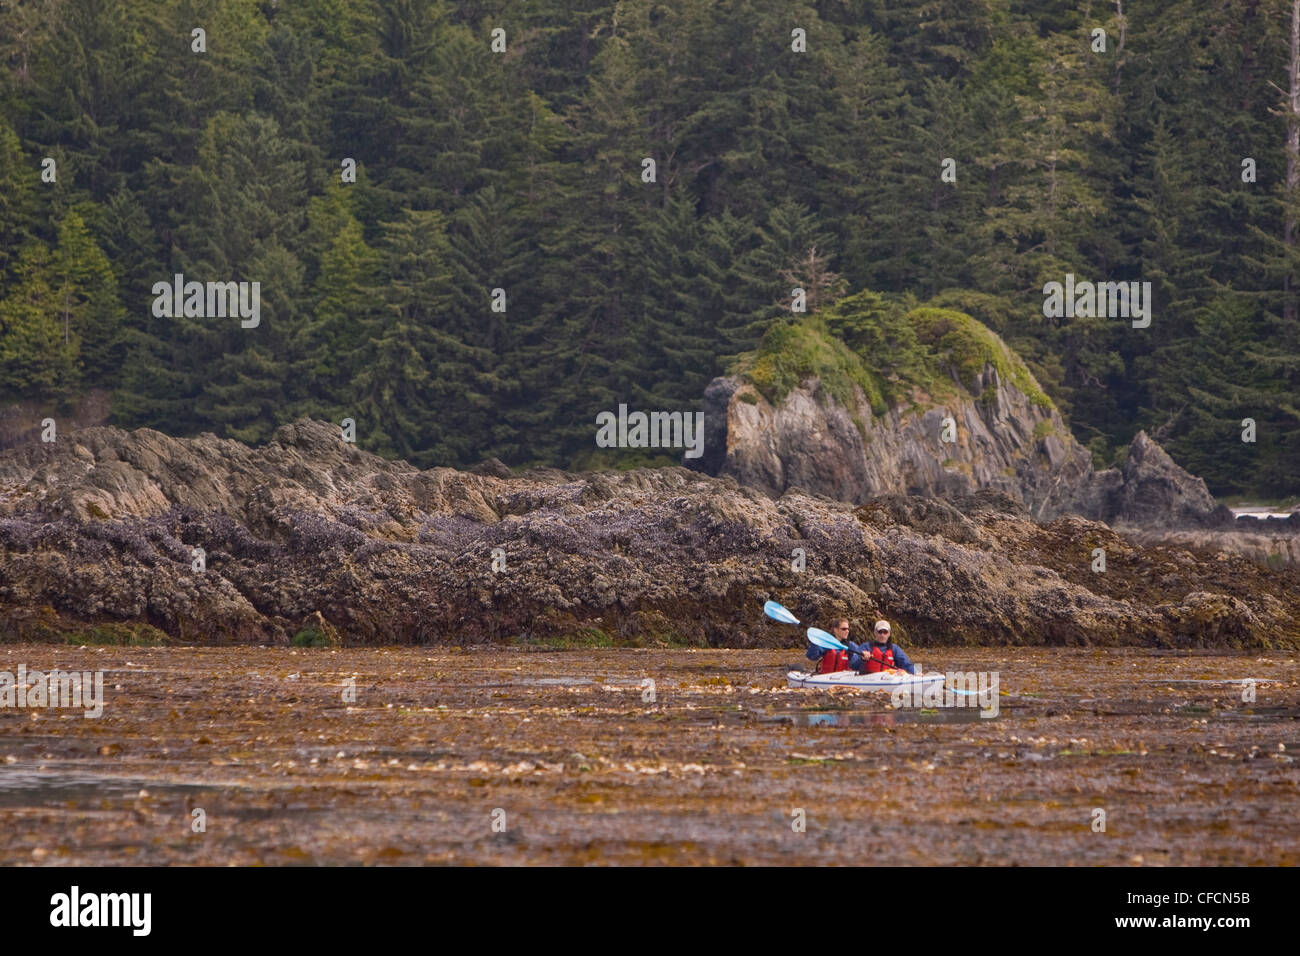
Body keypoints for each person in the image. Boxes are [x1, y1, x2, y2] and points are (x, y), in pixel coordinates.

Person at [847, 620, 916, 675]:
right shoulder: (866, 647)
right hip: (868, 679)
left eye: (885, 632)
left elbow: (906, 664)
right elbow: (853, 665)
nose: (882, 635)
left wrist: (916, 673)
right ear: (875, 632)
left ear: (889, 633)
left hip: (887, 679)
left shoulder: (894, 649)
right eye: (880, 632)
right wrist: (862, 659)